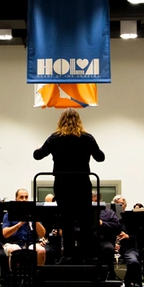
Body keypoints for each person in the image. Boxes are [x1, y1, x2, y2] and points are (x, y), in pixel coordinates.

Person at [33, 109, 104, 261]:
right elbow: (100, 158)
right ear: (79, 121)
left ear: (61, 121)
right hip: (82, 184)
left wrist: (39, 147)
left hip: (62, 184)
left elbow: (37, 156)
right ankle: (87, 256)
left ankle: (69, 255)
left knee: (67, 221)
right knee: (85, 221)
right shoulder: (87, 138)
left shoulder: (55, 138)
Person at [1, 189, 46, 267]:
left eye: (26, 197)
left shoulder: (34, 213)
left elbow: (42, 234)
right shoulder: (8, 214)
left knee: (41, 250)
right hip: (13, 243)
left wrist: (34, 219)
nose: (24, 200)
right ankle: (14, 277)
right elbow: (5, 234)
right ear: (16, 199)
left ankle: (37, 276)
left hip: (31, 243)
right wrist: (19, 224)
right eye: (21, 197)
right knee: (14, 250)